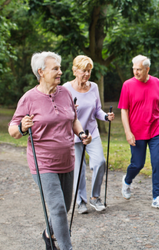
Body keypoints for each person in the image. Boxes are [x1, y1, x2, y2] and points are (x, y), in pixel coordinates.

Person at [8, 51, 92, 250]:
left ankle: (48, 233)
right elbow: (13, 129)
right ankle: (66, 247)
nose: (60, 72)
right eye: (55, 69)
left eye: (60, 68)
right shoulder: (29, 98)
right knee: (58, 207)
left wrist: (81, 135)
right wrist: (22, 127)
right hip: (43, 162)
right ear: (41, 72)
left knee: (65, 206)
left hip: (67, 159)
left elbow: (73, 119)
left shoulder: (65, 93)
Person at [63, 55, 115, 214]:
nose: (87, 74)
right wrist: (70, 109)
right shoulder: (66, 88)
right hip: (74, 135)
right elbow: (61, 112)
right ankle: (81, 201)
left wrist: (106, 116)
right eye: (84, 71)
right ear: (75, 70)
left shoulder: (93, 87)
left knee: (100, 162)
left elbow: (97, 109)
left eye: (89, 71)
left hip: (91, 132)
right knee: (78, 170)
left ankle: (95, 197)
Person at [118, 55, 159, 210]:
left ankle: (156, 197)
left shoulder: (157, 82)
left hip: (155, 129)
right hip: (137, 131)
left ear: (147, 69)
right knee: (138, 164)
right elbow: (124, 110)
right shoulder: (127, 85)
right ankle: (127, 181)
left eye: (139, 69)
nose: (135, 72)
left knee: (158, 161)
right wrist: (128, 132)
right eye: (133, 69)